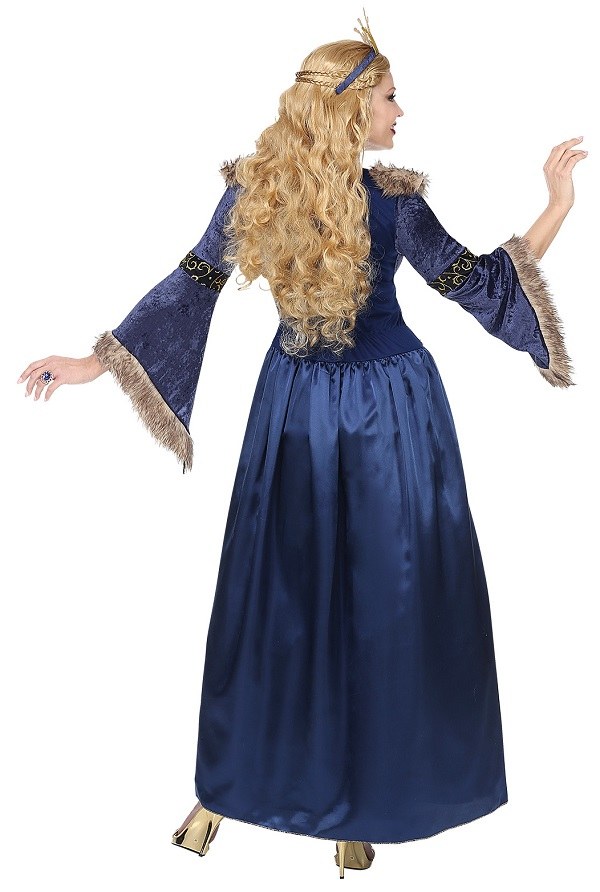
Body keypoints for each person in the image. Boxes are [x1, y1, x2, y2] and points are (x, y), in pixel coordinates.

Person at [17, 11, 586, 880]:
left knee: (283, 599)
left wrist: (99, 362)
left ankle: (273, 804)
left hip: (300, 407)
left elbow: (191, 286)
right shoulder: (381, 202)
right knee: (369, 597)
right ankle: (322, 807)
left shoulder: (266, 193)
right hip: (389, 411)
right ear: (353, 107)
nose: (402, 110)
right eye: (390, 96)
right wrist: (556, 207)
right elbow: (478, 286)